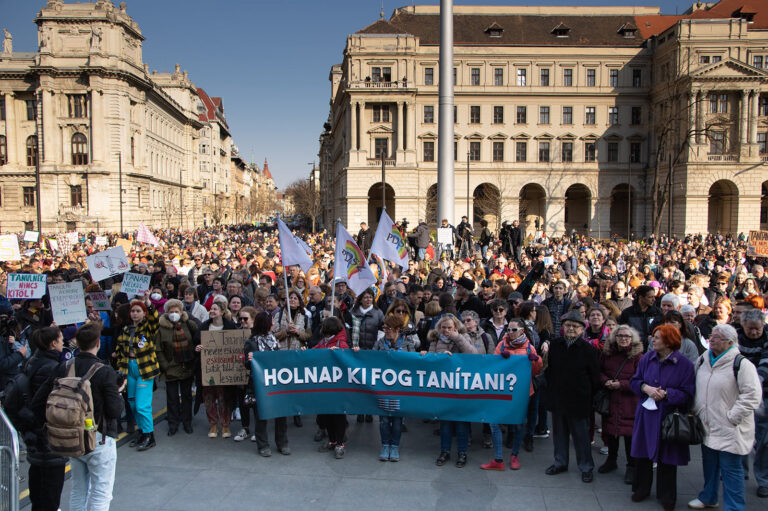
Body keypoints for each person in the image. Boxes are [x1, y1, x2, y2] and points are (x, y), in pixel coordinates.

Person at [689, 324, 761, 511]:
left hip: (730, 427)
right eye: (711, 336)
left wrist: (732, 417)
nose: (711, 339)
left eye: (717, 337)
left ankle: (734, 507)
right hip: (707, 423)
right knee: (709, 465)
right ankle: (708, 497)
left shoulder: (742, 364)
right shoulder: (704, 359)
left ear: (730, 342)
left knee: (731, 470)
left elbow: (752, 396)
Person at [629, 324, 696, 511]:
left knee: (667, 458)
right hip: (646, 414)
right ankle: (641, 489)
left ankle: (667, 496)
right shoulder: (647, 358)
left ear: (668, 341)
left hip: (669, 417)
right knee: (642, 453)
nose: (653, 340)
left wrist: (667, 394)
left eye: (657, 337)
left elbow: (688, 394)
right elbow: (635, 381)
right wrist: (645, 388)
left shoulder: (685, 365)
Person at [63, 322, 125, 511]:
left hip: (73, 434)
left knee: (78, 490)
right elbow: (114, 410)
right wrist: (118, 392)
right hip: (98, 435)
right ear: (98, 343)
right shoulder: (104, 371)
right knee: (101, 493)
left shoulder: (66, 366)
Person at [543, 310, 600, 483]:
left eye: (575, 326)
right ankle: (560, 462)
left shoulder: (589, 350)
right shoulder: (555, 345)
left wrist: (589, 397)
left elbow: (595, 378)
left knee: (581, 437)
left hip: (579, 400)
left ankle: (586, 467)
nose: (571, 329)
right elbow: (549, 370)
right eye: (568, 325)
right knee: (559, 434)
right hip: (558, 397)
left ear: (582, 329)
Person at [481, 319, 542, 471]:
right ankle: (498, 459)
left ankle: (514, 456)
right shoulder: (502, 345)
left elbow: (535, 371)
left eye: (513, 330)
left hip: (521, 392)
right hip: (502, 390)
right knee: (494, 422)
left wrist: (536, 361)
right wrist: (501, 360)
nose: (510, 332)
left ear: (522, 331)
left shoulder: (529, 347)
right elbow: (494, 366)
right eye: (508, 329)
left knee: (519, 424)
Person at [424, 314, 477, 467]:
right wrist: (440, 356)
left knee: (461, 422)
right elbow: (430, 358)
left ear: (455, 327)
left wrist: (457, 338)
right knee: (445, 422)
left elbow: (473, 354)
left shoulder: (463, 336)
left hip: (461, 385)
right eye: (443, 327)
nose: (446, 330)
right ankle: (445, 451)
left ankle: (462, 453)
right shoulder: (436, 339)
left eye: (449, 328)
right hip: (443, 386)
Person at [23, 327, 67, 511]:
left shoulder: (34, 360)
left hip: (35, 435)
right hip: (47, 438)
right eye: (61, 339)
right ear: (53, 343)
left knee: (38, 490)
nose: (63, 342)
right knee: (49, 493)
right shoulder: (50, 367)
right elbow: (48, 402)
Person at [597, 325, 643, 484]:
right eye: (620, 336)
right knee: (611, 431)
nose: (623, 338)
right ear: (614, 337)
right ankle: (611, 460)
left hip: (629, 402)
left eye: (627, 336)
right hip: (611, 400)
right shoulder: (607, 354)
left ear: (632, 339)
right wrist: (605, 381)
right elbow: (599, 371)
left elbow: (641, 379)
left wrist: (621, 384)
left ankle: (631, 466)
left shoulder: (638, 357)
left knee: (629, 435)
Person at [114, 291, 159, 451]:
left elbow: (154, 319)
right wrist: (121, 368)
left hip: (145, 370)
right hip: (129, 369)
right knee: (132, 404)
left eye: (138, 311)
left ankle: (149, 435)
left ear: (144, 313)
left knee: (142, 405)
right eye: (132, 311)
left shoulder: (148, 328)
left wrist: (148, 302)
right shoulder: (126, 329)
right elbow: (120, 350)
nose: (134, 313)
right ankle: (141, 432)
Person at [244, 311, 289, 456]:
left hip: (276, 382)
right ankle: (263, 445)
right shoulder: (251, 343)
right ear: (265, 324)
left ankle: (282, 443)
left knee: (281, 414)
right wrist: (251, 360)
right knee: (261, 415)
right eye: (271, 321)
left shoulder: (273, 339)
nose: (273, 324)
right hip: (260, 385)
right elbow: (247, 364)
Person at [155, 298, 198, 436]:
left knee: (186, 397)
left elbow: (198, 337)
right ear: (166, 313)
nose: (174, 314)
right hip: (170, 368)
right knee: (172, 398)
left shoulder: (189, 324)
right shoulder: (162, 328)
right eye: (171, 311)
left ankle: (187, 422)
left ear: (181, 312)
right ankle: (173, 424)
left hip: (187, 366)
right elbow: (158, 349)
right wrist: (165, 366)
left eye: (176, 311)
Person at [738, 309, 768, 497]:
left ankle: (764, 480)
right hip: (741, 393)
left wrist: (755, 384)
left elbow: (765, 365)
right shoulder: (736, 337)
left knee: (764, 439)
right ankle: (740, 472)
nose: (755, 332)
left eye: (758, 328)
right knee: (740, 434)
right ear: (744, 326)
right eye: (751, 328)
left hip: (764, 393)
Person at [198, 301, 237, 438]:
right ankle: (213, 424)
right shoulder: (204, 327)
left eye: (215, 309)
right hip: (208, 369)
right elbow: (196, 343)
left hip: (224, 369)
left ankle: (225, 424)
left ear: (222, 312)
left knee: (224, 398)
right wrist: (198, 348)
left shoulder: (230, 326)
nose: (212, 311)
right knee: (209, 397)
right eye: (211, 309)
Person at [314, 316, 351, 459]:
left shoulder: (341, 344)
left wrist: (340, 353)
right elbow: (313, 353)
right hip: (325, 386)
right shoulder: (323, 342)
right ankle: (332, 440)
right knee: (328, 415)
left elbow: (348, 360)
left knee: (338, 416)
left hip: (338, 387)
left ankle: (340, 444)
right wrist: (305, 351)